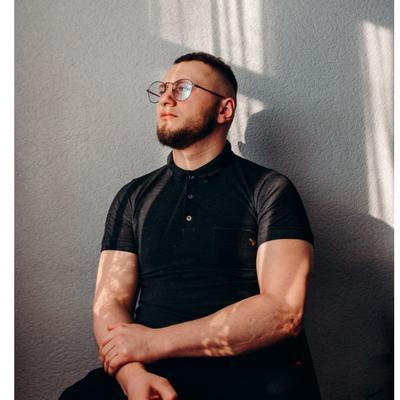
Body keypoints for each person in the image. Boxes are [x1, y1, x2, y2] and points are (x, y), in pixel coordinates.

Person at [59, 52, 321, 400]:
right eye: (163, 88)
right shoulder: (133, 196)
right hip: (149, 368)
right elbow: (110, 302)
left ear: (224, 110)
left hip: (249, 372)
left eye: (183, 88)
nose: (166, 98)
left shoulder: (269, 189)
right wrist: (131, 375)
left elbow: (283, 311)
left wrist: (154, 342)